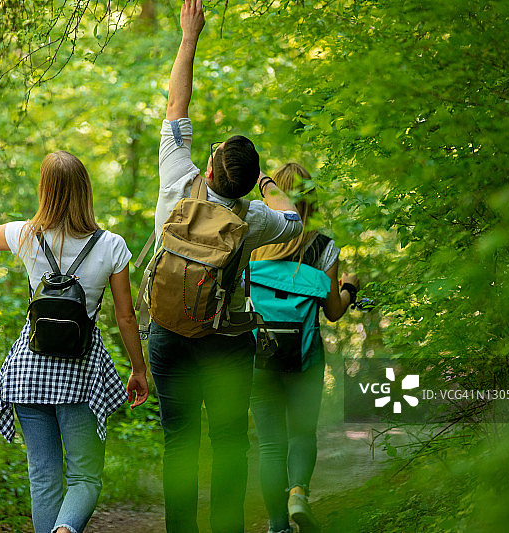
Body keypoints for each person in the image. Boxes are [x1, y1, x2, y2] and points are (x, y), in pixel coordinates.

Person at [147, 2, 305, 532]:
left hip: (167, 331)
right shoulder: (253, 219)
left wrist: (189, 36)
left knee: (179, 447)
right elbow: (294, 223)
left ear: (211, 166)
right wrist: (267, 187)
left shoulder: (176, 180)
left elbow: (176, 101)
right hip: (225, 338)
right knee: (232, 443)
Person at [0, 151, 149, 533]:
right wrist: (138, 369)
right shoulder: (111, 246)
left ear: (45, 191)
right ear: (85, 190)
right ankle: (65, 529)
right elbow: (125, 317)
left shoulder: (25, 234)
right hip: (81, 376)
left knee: (43, 477)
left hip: (28, 371)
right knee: (85, 477)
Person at [249, 162, 361, 533]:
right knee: (301, 434)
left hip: (259, 357)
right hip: (305, 356)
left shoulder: (253, 241)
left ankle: (277, 526)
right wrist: (350, 288)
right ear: (311, 198)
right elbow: (332, 312)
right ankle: (298, 492)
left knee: (269, 445)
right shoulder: (325, 246)